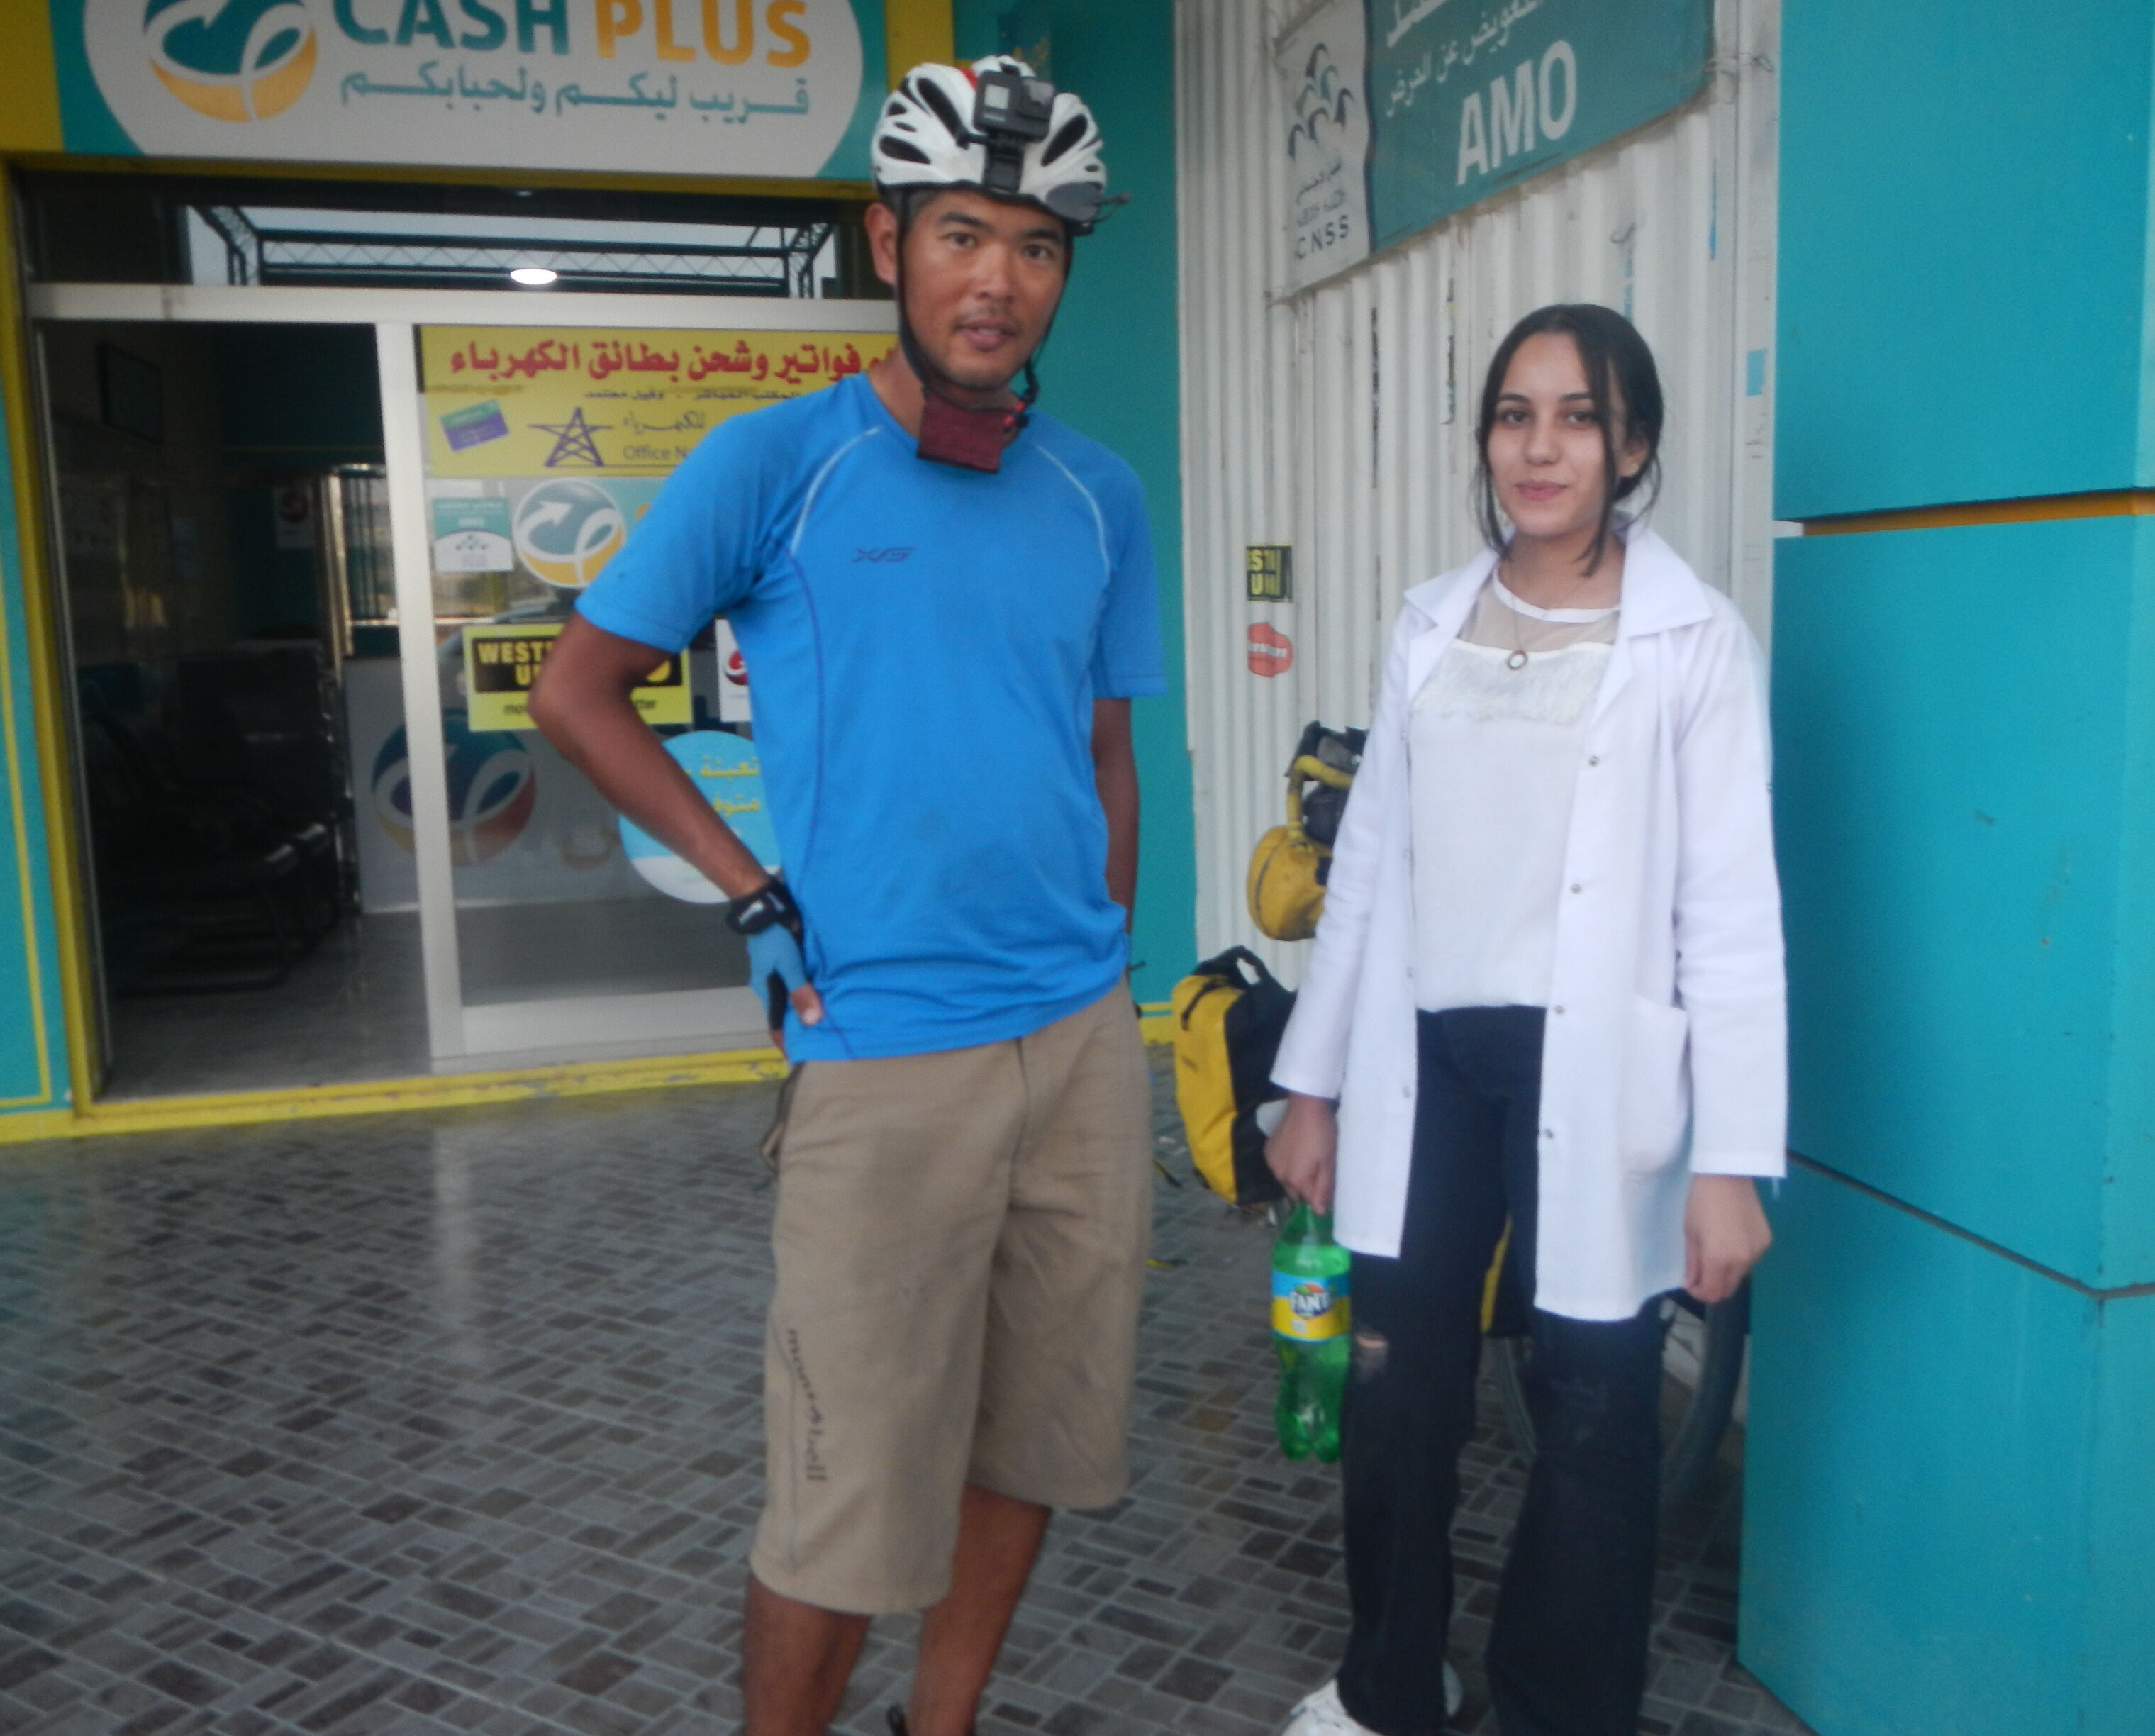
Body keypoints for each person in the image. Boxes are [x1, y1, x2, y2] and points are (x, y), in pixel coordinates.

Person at [528, 57, 1164, 1736]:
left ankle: (938, 1726)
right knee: (842, 1491)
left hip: (1080, 1045)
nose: (998, 279)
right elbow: (580, 693)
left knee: (1037, 1440)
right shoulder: (776, 463)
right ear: (888, 245)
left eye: (1038, 245)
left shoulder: (1099, 494)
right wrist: (751, 891)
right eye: (962, 234)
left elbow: (1107, 757)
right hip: (882, 1050)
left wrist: (1110, 962)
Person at [1262, 304, 1786, 1736]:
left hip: (1591, 1066)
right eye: (1514, 415)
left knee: (1595, 1408)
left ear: (1636, 447)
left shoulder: (1693, 639)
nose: (1539, 448)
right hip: (1424, 1062)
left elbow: (1731, 908)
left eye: (1578, 417)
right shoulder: (1431, 621)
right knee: (1395, 1391)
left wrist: (1732, 1162)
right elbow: (1369, 870)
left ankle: (1562, 1707)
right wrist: (1312, 1088)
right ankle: (1390, 1683)